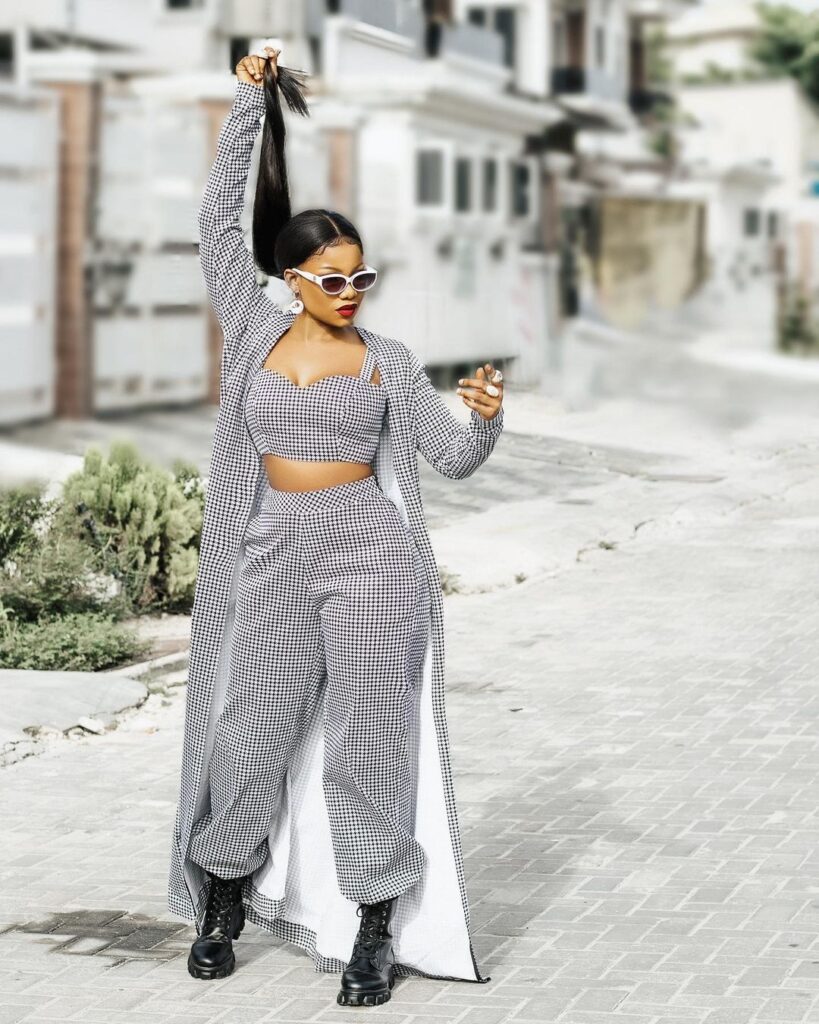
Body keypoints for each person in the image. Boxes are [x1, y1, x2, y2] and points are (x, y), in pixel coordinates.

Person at [167, 47, 505, 1008]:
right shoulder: (253, 329)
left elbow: (451, 457)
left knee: (369, 743)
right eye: (332, 279)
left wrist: (484, 417)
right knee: (251, 730)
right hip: (273, 552)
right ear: (291, 279)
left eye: (362, 277)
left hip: (370, 556)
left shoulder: (387, 359)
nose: (351, 292)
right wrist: (247, 104)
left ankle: (373, 926)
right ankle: (222, 898)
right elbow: (214, 224)